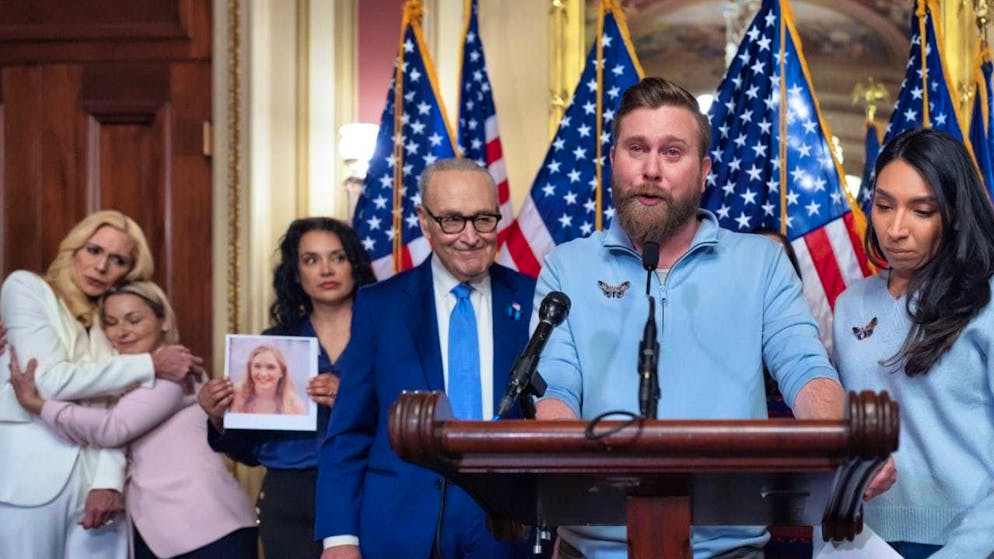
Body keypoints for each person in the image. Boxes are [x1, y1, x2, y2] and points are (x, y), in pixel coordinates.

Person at [532, 77, 854, 559]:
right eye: (636, 148)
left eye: (672, 152)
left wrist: (845, 452)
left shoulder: (761, 263)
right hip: (593, 548)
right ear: (613, 159)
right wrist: (562, 483)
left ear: (704, 171)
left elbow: (805, 370)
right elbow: (556, 390)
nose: (651, 170)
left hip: (730, 550)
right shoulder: (566, 266)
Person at [316, 158, 536, 559]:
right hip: (401, 526)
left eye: (483, 219)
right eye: (452, 220)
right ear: (424, 221)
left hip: (509, 528)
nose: (470, 236)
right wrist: (339, 537)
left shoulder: (535, 299)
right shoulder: (380, 307)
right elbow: (349, 432)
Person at [0, 210, 201, 559]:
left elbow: (116, 407)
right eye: (94, 250)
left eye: (118, 259)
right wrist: (149, 364)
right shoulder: (27, 288)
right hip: (30, 480)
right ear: (73, 249)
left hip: (96, 486)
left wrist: (107, 482)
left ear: (128, 271)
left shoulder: (111, 319)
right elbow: (45, 381)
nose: (102, 266)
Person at [7, 281, 258, 559]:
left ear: (164, 321)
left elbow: (112, 428)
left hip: (209, 529)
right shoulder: (126, 379)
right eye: (111, 323)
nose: (122, 331)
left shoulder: (179, 372)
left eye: (134, 319)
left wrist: (37, 404)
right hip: (160, 534)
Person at [833, 128, 994, 559]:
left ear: (955, 214)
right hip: (859, 541)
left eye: (922, 211)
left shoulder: (988, 300)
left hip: (970, 542)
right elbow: (840, 441)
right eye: (884, 206)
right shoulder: (850, 305)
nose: (896, 229)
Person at [199, 217, 375, 559]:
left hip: (370, 488)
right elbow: (249, 450)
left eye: (337, 257)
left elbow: (411, 417)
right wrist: (220, 416)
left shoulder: (386, 335)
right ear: (295, 273)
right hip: (290, 499)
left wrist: (352, 400)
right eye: (311, 259)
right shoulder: (274, 345)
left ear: (354, 265)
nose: (326, 269)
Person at [231, 344, 307, 415]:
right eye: (257, 366)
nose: (263, 374)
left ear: (282, 372)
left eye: (271, 367)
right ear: (249, 369)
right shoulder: (234, 395)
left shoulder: (295, 405)